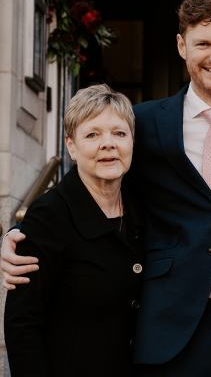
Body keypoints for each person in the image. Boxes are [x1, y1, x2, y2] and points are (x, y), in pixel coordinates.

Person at [2, 0, 211, 376]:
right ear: (181, 45)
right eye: (203, 43)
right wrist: (24, 233)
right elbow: (94, 185)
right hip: (167, 328)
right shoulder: (142, 124)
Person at [3, 84, 143, 376]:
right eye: (92, 134)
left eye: (119, 133)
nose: (108, 144)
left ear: (132, 141)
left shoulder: (143, 206)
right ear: (71, 145)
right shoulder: (48, 215)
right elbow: (23, 325)